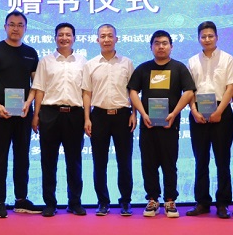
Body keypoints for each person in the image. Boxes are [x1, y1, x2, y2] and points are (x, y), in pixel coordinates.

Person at [128, 30, 196, 218]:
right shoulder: (143, 69)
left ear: (171, 46)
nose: (161, 46)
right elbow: (132, 91)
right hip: (148, 124)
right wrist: (143, 113)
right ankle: (152, 199)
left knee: (169, 163)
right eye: (157, 43)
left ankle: (170, 200)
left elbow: (189, 91)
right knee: (148, 164)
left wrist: (174, 113)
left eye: (164, 43)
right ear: (151, 46)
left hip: (169, 125)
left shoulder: (179, 68)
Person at [0, 10, 41, 217]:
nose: (16, 28)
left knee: (22, 157)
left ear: (25, 28)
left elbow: (36, 84)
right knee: (0, 158)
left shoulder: (31, 52)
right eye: (12, 24)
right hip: (1, 113)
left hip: (23, 113)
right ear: (5, 27)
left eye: (20, 25)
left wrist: (28, 103)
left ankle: (21, 199)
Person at [32, 23, 88, 217]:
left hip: (75, 114)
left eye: (68, 35)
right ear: (55, 37)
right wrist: (36, 115)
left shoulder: (82, 62)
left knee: (74, 161)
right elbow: (39, 89)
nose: (64, 38)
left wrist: (87, 117)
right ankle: (50, 203)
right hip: (50, 114)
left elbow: (86, 92)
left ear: (74, 38)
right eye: (61, 34)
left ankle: (75, 202)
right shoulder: (46, 61)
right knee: (48, 161)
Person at [185, 21, 233, 219]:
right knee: (201, 160)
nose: (207, 39)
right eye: (203, 36)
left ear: (217, 37)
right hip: (198, 112)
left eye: (210, 36)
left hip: (221, 112)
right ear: (198, 38)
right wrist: (193, 110)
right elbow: (189, 90)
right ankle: (202, 202)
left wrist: (219, 111)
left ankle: (223, 203)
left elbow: (231, 87)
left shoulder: (227, 59)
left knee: (223, 160)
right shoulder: (192, 61)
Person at [83, 24, 136, 216]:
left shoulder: (127, 63)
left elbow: (133, 91)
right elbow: (87, 93)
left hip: (123, 116)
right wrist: (87, 118)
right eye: (103, 36)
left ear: (116, 39)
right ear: (97, 40)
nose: (106, 39)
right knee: (99, 162)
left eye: (110, 36)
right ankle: (103, 202)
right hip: (99, 116)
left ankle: (125, 201)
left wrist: (134, 113)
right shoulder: (90, 64)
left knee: (125, 161)